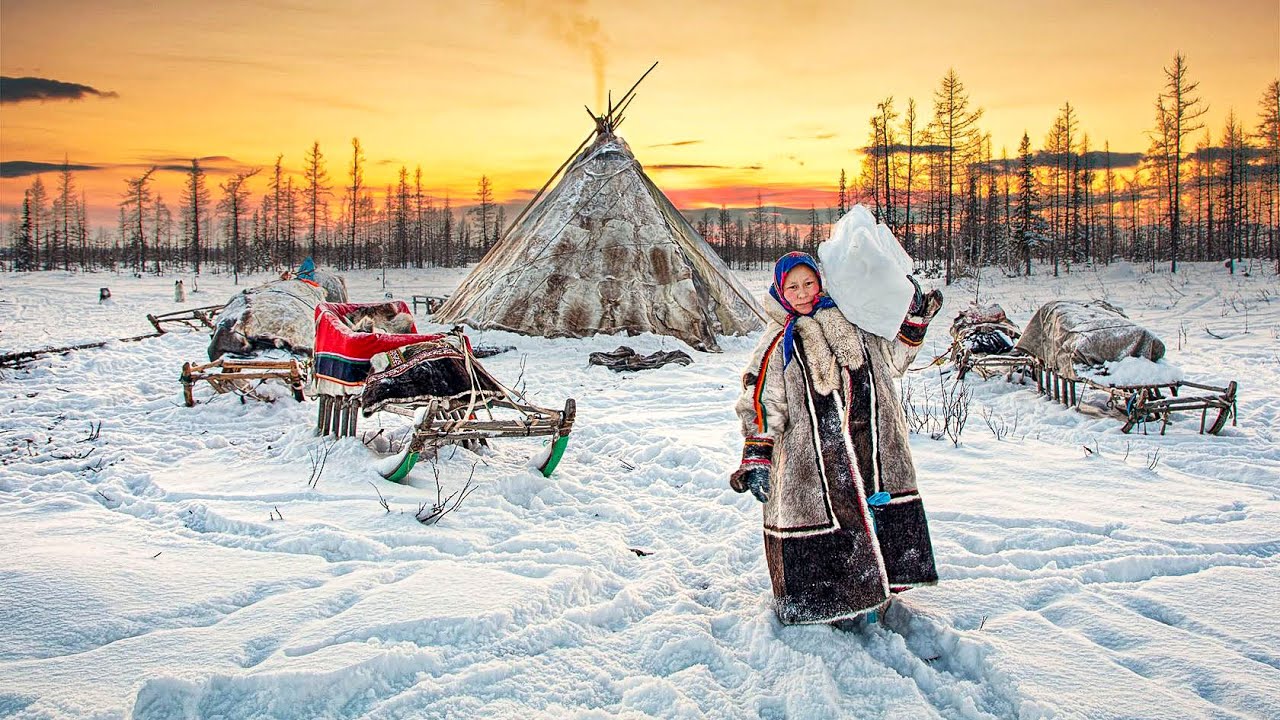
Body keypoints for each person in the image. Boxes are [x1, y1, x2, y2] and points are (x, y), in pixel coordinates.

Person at [730, 251, 944, 627]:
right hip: (808, 461)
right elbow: (761, 400)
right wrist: (757, 456)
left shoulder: (852, 323)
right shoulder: (778, 342)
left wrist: (913, 321)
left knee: (869, 514)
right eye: (792, 286)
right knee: (827, 523)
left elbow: (893, 361)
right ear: (780, 289)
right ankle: (829, 609)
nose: (802, 293)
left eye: (809, 283)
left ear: (821, 282)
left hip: (866, 449)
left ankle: (877, 597)